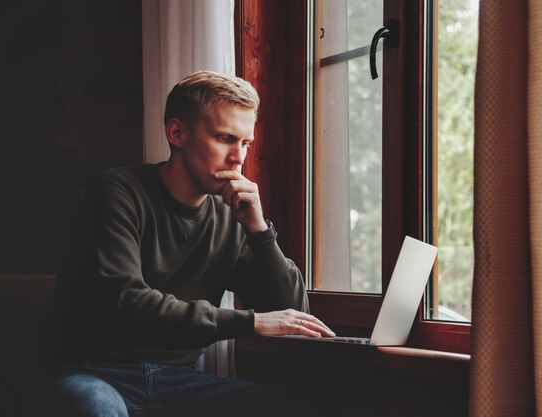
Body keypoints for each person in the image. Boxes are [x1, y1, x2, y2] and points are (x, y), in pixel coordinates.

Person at [44, 71, 335, 417]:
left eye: (245, 143)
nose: (238, 157)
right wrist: (248, 322)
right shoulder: (117, 191)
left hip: (178, 380)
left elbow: (292, 312)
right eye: (225, 138)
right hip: (95, 373)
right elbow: (127, 301)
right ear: (177, 133)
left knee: (300, 408)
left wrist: (259, 230)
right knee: (95, 408)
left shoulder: (232, 215)